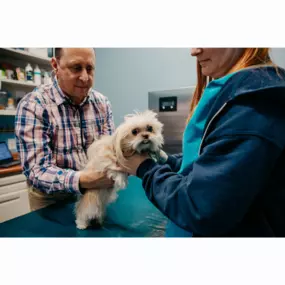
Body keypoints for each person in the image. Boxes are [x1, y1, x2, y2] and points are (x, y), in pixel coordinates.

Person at [120, 48, 285, 237]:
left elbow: (200, 208)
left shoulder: (252, 106)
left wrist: (145, 168)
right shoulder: (233, 93)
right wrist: (166, 161)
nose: (194, 51)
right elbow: (207, 161)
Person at [15, 48, 115, 211]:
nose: (84, 77)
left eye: (89, 69)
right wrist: (85, 179)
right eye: (76, 68)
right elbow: (36, 171)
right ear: (55, 65)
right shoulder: (33, 106)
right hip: (51, 201)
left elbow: (109, 151)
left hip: (95, 192)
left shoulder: (102, 104)